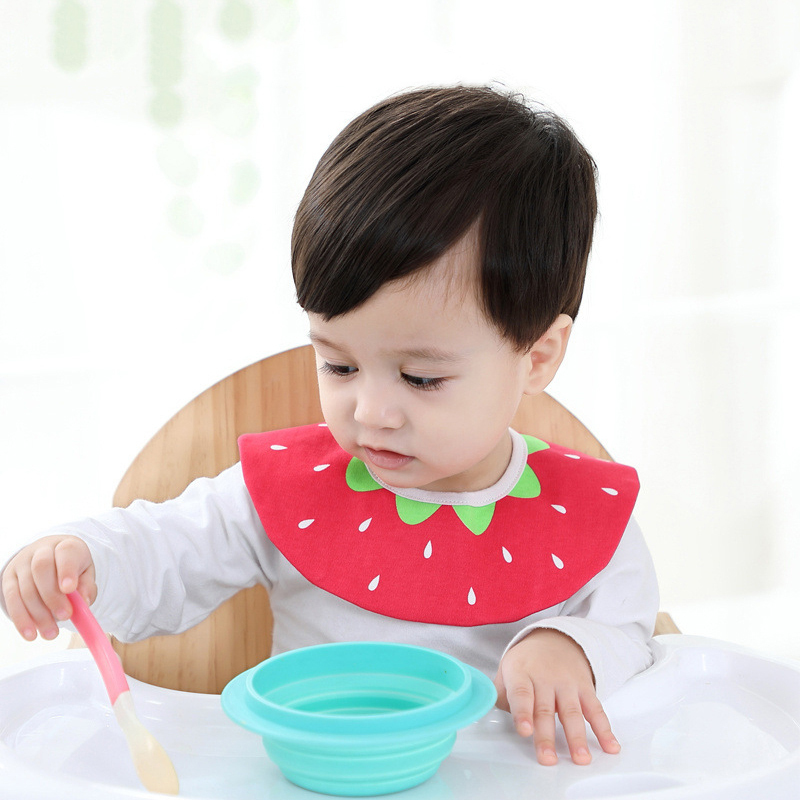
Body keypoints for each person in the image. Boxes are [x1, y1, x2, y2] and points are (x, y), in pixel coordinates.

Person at [1, 85, 658, 767]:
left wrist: (571, 646)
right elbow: (169, 547)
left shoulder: (592, 519)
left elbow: (635, 633)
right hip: (314, 779)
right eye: (339, 365)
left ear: (538, 356)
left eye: (420, 378)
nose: (369, 411)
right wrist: (84, 557)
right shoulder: (285, 489)